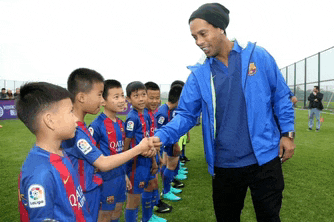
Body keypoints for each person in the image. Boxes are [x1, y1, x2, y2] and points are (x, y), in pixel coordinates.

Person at [154, 3, 295, 221]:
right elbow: (186, 115)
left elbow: (281, 96)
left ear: (220, 28)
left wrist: (288, 134)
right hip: (225, 164)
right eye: (194, 37)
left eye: (203, 33)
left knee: (269, 217)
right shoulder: (199, 73)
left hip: (265, 158)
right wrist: (161, 135)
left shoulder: (257, 55)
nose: (199, 42)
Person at [62, 69, 157, 222]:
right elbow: (102, 163)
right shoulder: (77, 131)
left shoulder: (92, 126)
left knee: (115, 212)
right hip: (89, 188)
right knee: (103, 216)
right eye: (99, 95)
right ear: (81, 97)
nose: (101, 100)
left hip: (108, 180)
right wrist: (139, 148)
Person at [17, 82, 93, 221]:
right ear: (50, 121)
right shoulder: (40, 174)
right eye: (71, 112)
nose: (76, 118)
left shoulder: (61, 152)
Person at [88, 79, 130, 222]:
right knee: (105, 215)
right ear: (103, 101)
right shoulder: (96, 126)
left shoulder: (120, 123)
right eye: (116, 97)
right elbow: (90, 157)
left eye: (122, 95)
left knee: (117, 210)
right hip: (105, 180)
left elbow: (119, 154)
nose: (121, 100)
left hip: (120, 177)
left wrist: (125, 175)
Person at [124, 81, 164, 222]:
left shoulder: (145, 116)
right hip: (135, 163)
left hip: (146, 160)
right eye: (136, 96)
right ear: (128, 99)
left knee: (145, 190)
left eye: (143, 95)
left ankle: (147, 217)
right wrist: (124, 165)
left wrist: (155, 159)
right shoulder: (132, 117)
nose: (141, 99)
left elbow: (147, 140)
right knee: (133, 200)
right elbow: (126, 144)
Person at [144, 81, 173, 215]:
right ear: (144, 97)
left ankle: (154, 208)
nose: (155, 101)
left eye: (157, 98)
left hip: (153, 156)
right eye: (151, 98)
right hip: (145, 159)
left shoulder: (151, 114)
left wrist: (158, 157)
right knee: (149, 186)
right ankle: (147, 217)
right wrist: (154, 160)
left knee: (154, 184)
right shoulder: (143, 116)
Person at [156, 84, 185, 202]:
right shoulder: (163, 113)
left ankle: (167, 188)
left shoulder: (169, 110)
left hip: (170, 143)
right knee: (170, 165)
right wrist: (175, 144)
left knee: (168, 165)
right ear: (179, 99)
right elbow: (161, 132)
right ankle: (166, 191)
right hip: (167, 144)